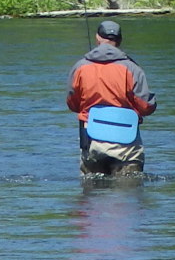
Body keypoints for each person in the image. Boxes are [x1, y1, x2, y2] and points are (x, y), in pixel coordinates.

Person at [66, 19, 155, 177]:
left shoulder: (80, 67)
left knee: (92, 195)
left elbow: (73, 104)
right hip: (125, 142)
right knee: (128, 195)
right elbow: (145, 107)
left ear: (97, 38)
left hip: (91, 139)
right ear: (119, 41)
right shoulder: (132, 68)